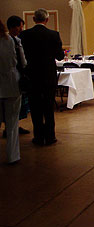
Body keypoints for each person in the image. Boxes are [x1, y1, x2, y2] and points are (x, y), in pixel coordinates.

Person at [19, 9, 64, 146]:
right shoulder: (53, 35)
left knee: (35, 108)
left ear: (33, 19)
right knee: (48, 108)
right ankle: (50, 137)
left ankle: (38, 137)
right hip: (48, 75)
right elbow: (60, 56)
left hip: (32, 76)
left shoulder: (24, 35)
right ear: (47, 20)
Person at [2, 16, 30, 138]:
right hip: (13, 81)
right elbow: (22, 62)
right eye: (19, 26)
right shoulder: (12, 41)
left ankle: (11, 127)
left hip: (10, 80)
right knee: (12, 112)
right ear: (12, 27)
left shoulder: (14, 40)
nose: (21, 29)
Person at [0, 20, 23, 164]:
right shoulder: (12, 41)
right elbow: (23, 62)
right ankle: (12, 156)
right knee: (12, 122)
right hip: (11, 83)